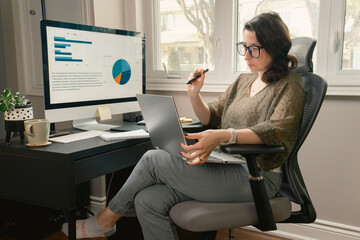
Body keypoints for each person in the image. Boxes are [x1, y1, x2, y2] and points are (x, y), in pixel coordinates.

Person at [62, 11, 305, 240]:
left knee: (151, 159)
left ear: (274, 47)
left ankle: (105, 220)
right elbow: (212, 116)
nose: (248, 55)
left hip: (256, 176)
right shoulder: (243, 81)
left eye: (255, 49)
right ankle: (108, 220)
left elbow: (276, 131)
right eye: (244, 47)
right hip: (226, 166)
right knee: (148, 199)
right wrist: (193, 94)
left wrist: (223, 136)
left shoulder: (290, 86)